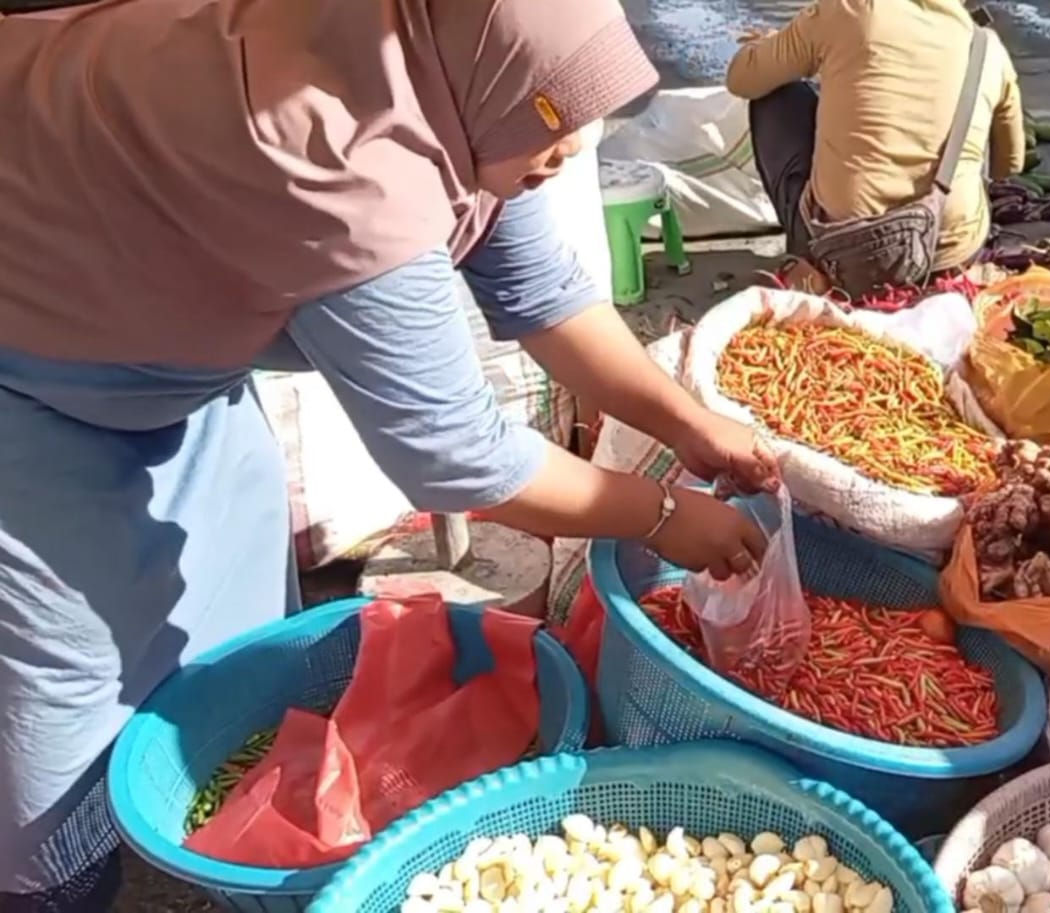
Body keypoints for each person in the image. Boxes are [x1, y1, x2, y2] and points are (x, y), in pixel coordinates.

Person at [0, 0, 778, 906]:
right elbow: (460, 461)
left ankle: (230, 795)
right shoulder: (339, 152)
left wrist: (692, 426)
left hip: (165, 358)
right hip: (35, 371)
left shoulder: (455, 80)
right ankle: (57, 884)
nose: (566, 154)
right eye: (555, 128)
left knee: (230, 604)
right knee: (66, 683)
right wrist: (665, 515)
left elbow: (545, 295)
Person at [724, 0, 1027, 288]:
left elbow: (742, 79)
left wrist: (774, 44)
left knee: (778, 95)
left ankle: (811, 263)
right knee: (976, 130)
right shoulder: (988, 48)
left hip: (848, 254)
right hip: (951, 256)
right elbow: (1008, 164)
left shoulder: (848, 10)